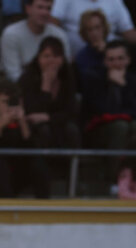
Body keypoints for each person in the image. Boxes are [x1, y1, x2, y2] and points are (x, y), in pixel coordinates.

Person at [18, 35, 80, 199]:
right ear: (38, 58)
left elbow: (71, 111)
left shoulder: (68, 78)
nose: (51, 61)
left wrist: (48, 117)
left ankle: (71, 182)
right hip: (35, 130)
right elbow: (31, 112)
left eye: (56, 56)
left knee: (71, 130)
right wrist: (46, 85)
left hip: (59, 125)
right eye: (46, 56)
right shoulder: (28, 78)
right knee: (43, 131)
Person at [81, 40, 136, 174]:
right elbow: (104, 112)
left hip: (127, 127)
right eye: (111, 59)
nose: (116, 63)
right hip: (99, 132)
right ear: (104, 62)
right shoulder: (94, 79)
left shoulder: (135, 81)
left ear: (128, 60)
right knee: (120, 126)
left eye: (120, 58)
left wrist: (122, 85)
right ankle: (117, 178)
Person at [0, 0, 69, 82]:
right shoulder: (11, 34)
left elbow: (66, 69)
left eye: (48, 8)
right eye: (40, 7)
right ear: (28, 9)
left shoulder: (59, 35)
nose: (44, 13)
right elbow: (13, 73)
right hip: (21, 88)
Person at [52, 0, 136, 57]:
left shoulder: (115, 1)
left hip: (110, 56)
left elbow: (127, 30)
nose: (94, 32)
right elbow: (52, 23)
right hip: (76, 57)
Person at [71, 7, 108, 85]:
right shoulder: (81, 57)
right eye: (90, 29)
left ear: (104, 28)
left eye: (97, 27)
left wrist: (106, 52)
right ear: (84, 32)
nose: (94, 33)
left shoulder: (116, 50)